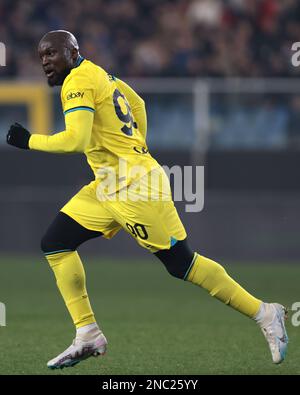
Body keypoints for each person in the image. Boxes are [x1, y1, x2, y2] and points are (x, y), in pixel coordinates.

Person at [6, 30, 288, 370]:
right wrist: (135, 147)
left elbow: (75, 141)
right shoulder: (100, 74)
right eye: (41, 56)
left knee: (182, 264)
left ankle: (265, 313)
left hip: (135, 187)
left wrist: (28, 141)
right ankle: (87, 333)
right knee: (55, 242)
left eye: (52, 53)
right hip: (108, 183)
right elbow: (137, 103)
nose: (45, 62)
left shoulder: (77, 82)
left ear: (72, 51)